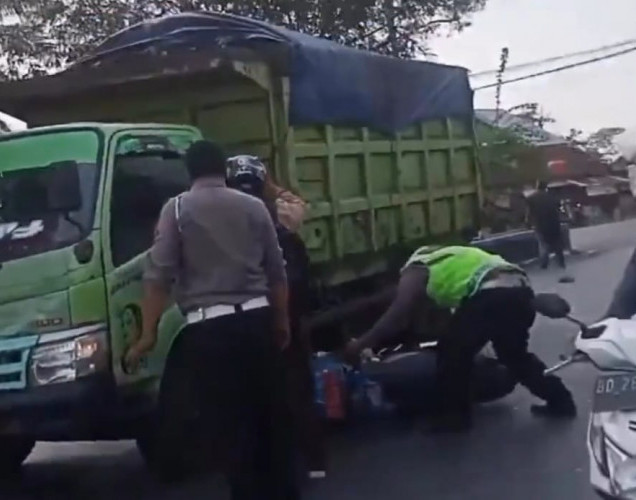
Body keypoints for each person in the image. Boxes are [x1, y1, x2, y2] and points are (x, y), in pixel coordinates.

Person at [124, 141, 300, 500]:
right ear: (223, 169)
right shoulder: (254, 207)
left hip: (209, 332)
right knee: (271, 420)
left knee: (229, 426)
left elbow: (158, 277)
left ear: (189, 172)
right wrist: (281, 321)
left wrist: (147, 335)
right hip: (257, 322)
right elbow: (276, 271)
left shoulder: (175, 211)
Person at [344, 244, 576, 432]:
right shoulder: (451, 256)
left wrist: (361, 344)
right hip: (520, 289)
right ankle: (560, 400)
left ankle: (454, 419)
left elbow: (399, 314)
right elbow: (450, 315)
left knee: (452, 353)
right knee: (514, 355)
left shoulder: (415, 268)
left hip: (490, 294)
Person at [226, 155, 328, 479]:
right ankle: (314, 459)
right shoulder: (282, 216)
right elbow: (296, 202)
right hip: (288, 312)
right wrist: (273, 187)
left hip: (246, 314)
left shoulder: (223, 217)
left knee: (255, 391)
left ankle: (269, 460)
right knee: (297, 384)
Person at [526, 181, 574, 282]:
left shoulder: (531, 199)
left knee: (543, 245)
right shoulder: (551, 197)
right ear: (546, 187)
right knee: (557, 245)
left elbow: (529, 213)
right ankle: (561, 263)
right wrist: (564, 218)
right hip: (553, 224)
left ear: (537, 187)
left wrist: (528, 223)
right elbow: (558, 209)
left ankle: (544, 265)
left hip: (540, 225)